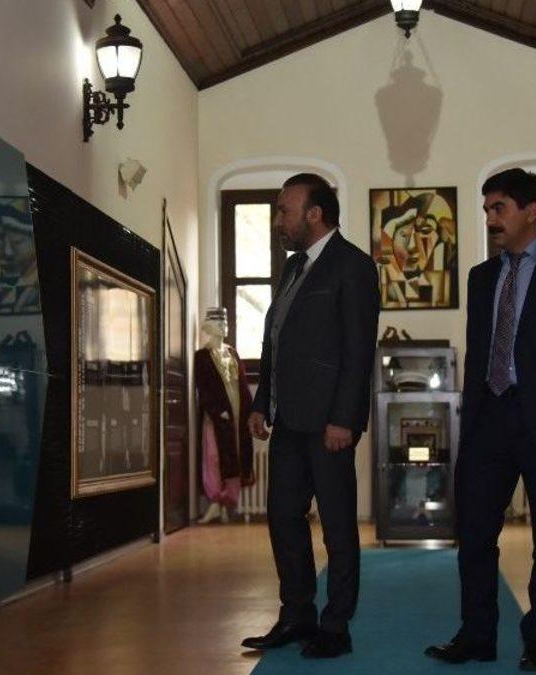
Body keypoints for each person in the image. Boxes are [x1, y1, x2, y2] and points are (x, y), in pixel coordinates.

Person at [424, 168, 536, 671]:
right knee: (475, 534)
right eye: (487, 210)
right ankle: (477, 635)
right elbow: (480, 353)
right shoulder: (482, 278)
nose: (490, 219)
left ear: (531, 211)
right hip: (489, 420)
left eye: (499, 208)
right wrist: (469, 423)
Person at [241, 173, 381, 659]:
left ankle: (336, 626)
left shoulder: (353, 266)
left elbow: (358, 350)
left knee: (338, 528)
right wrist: (262, 401)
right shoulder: (291, 268)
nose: (278, 220)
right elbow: (275, 338)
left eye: (285, 210)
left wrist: (344, 418)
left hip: (329, 425)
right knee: (283, 518)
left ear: (315, 214)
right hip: (287, 420)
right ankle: (297, 615)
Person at [192, 308, 254, 524]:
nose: (223, 327)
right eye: (219, 323)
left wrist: (249, 409)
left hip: (237, 411)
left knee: (235, 452)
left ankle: (227, 502)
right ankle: (215, 501)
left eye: (225, 323)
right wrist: (218, 410)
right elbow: (204, 387)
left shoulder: (232, 353)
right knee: (214, 455)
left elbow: (242, 384)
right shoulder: (202, 356)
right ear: (210, 326)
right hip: (218, 415)